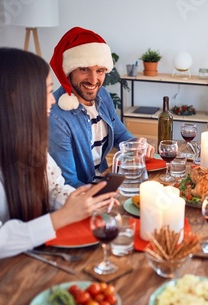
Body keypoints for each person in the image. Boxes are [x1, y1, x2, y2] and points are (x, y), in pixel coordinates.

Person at [0, 48, 116, 291]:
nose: (53, 99)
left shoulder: (25, 138)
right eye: (46, 91)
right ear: (16, 96)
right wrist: (61, 218)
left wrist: (84, 202)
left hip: (29, 262)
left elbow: (53, 187)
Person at [48, 27, 155, 188]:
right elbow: (68, 184)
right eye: (84, 69)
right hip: (82, 193)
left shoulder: (102, 95)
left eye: (100, 70)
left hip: (105, 179)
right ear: (67, 71)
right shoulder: (56, 116)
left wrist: (136, 144)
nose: (93, 80)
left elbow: (119, 135)